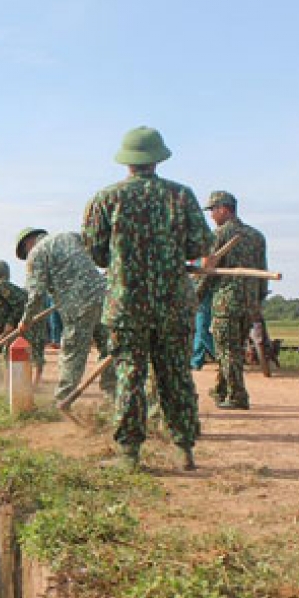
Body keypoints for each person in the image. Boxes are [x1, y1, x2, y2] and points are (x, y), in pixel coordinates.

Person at [82, 126, 212, 471]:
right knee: (176, 375)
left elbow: (95, 253)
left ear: (127, 161)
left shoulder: (106, 198)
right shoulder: (182, 196)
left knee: (129, 375)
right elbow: (202, 245)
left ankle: (129, 453)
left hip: (126, 305)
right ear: (157, 159)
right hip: (174, 303)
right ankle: (184, 448)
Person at [15, 228, 114, 404]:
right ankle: (112, 395)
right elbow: (95, 256)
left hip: (78, 306)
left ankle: (63, 400)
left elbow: (36, 293)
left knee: (72, 353)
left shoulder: (36, 254)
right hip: (104, 298)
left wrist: (26, 320)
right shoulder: (70, 235)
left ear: (27, 244)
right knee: (108, 347)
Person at [198, 191, 268, 410]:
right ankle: (221, 390)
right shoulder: (257, 236)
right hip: (249, 303)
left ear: (224, 209)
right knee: (233, 348)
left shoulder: (219, 235)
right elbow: (262, 272)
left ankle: (238, 396)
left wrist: (194, 296)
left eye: (213, 211)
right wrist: (258, 299)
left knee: (227, 350)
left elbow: (207, 271)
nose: (211, 216)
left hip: (226, 301)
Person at [0, 259, 45, 384]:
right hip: (18, 320)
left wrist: (10, 322)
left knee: (35, 348)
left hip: (32, 316)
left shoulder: (0, 286)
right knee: (9, 350)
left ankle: (34, 383)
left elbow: (21, 304)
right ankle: (10, 383)